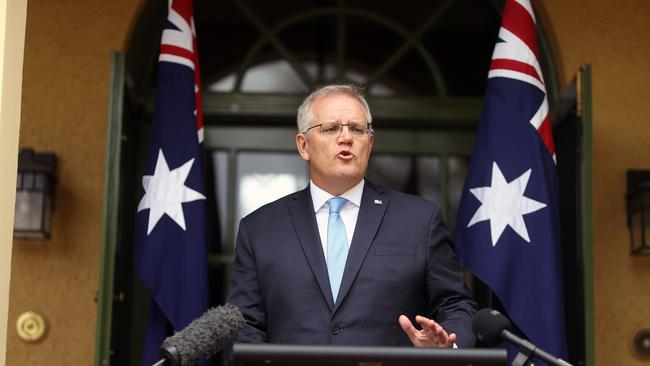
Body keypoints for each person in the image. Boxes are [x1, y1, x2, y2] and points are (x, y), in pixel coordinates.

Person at [226, 84, 477, 348]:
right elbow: (244, 325)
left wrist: (446, 346)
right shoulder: (260, 229)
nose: (346, 137)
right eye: (331, 128)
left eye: (357, 129)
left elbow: (455, 304)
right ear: (303, 146)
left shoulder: (419, 220)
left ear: (370, 143)